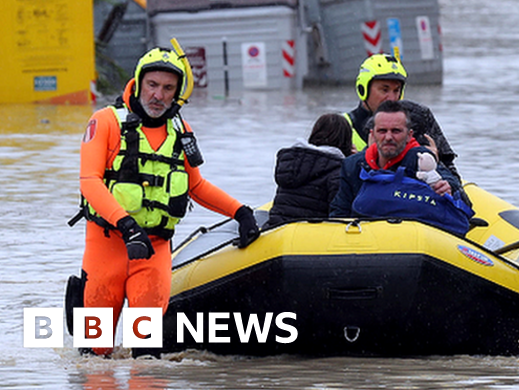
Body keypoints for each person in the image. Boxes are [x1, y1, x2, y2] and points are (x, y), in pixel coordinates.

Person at [71, 46, 260, 356]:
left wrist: (240, 212)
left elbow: (196, 185)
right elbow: (89, 181)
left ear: (177, 94)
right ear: (139, 82)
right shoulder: (104, 122)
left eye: (168, 88)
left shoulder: (181, 131)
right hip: (107, 245)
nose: (158, 95)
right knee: (96, 353)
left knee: (146, 355)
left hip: (154, 250)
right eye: (153, 85)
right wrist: (127, 225)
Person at [329, 101, 472, 234]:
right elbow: (339, 213)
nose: (388, 137)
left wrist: (448, 188)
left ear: (409, 135)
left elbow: (451, 182)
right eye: (382, 131)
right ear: (372, 134)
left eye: (396, 131)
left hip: (413, 239)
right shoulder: (352, 165)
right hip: (365, 239)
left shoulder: (421, 158)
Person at [343, 53, 459, 176]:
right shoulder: (343, 126)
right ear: (363, 89)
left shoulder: (419, 117)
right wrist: (359, 162)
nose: (392, 98)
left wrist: (434, 163)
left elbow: (452, 174)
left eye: (396, 90)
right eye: (384, 90)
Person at [266, 113, 355, 227]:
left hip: (276, 229)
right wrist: (353, 164)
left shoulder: (293, 163)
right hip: (309, 236)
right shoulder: (338, 171)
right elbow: (340, 215)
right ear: (346, 142)